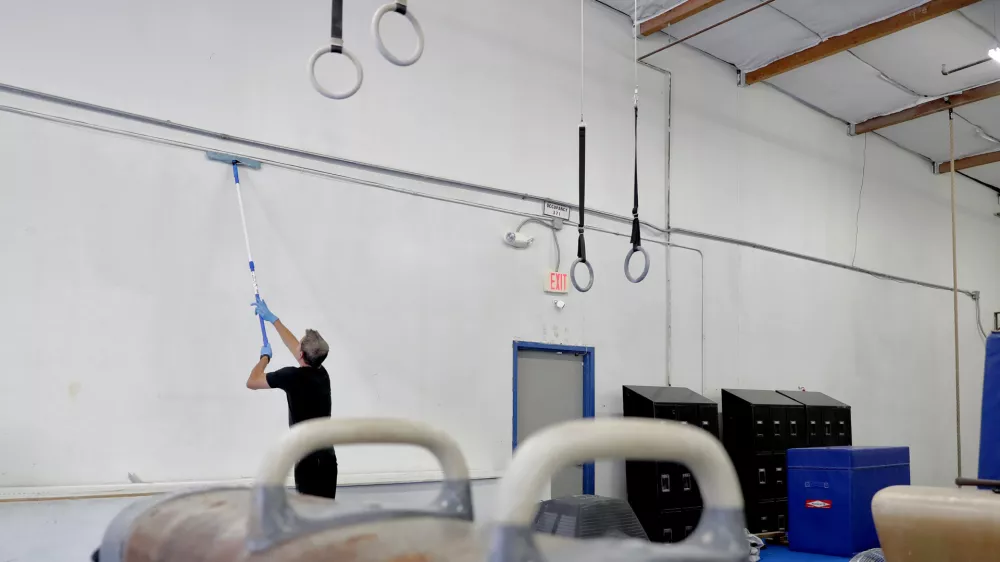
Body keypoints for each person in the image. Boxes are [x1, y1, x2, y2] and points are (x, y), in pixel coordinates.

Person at [246, 299, 338, 499]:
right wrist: (273, 319)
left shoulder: (292, 377)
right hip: (328, 458)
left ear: (302, 355)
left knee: (308, 516)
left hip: (308, 461)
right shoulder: (322, 373)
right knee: (325, 513)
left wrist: (265, 358)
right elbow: (297, 347)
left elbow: (252, 382)